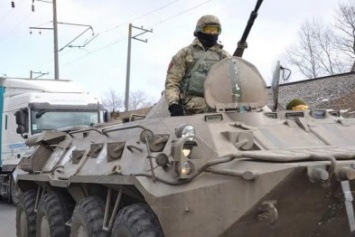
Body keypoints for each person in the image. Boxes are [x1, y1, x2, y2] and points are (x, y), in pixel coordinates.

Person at [165, 15, 230, 116]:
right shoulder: (185, 53)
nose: (213, 33)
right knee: (212, 109)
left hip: (219, 100)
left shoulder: (224, 56)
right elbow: (172, 81)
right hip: (191, 100)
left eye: (216, 30)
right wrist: (173, 104)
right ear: (200, 30)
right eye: (209, 29)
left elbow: (235, 80)